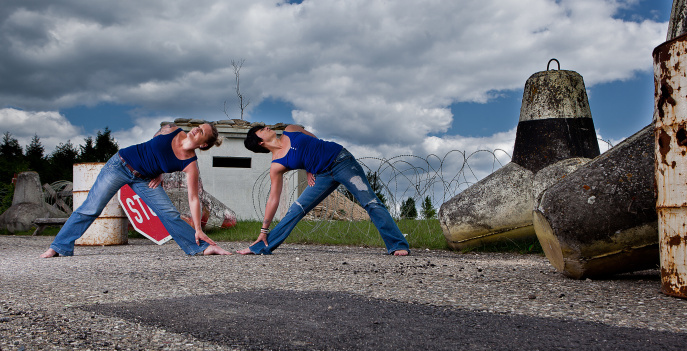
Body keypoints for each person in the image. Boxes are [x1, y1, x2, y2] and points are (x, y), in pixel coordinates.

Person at [40, 123, 232, 258]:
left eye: (202, 131)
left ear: (204, 144)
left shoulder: (190, 164)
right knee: (92, 207)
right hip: (120, 165)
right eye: (199, 126)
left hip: (144, 180)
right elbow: (153, 146)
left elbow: (193, 198)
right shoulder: (172, 130)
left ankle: (201, 247)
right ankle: (58, 247)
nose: (197, 129)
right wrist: (161, 172)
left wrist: (198, 229)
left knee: (170, 214)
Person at [236, 124, 410, 256]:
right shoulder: (277, 165)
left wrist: (309, 167)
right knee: (296, 209)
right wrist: (263, 230)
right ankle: (261, 246)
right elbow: (273, 198)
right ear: (259, 142)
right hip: (323, 177)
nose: (266, 127)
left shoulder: (291, 129)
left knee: (370, 202)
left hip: (342, 162)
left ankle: (397, 245)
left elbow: (312, 140)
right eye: (261, 130)